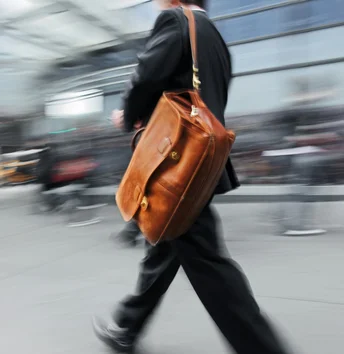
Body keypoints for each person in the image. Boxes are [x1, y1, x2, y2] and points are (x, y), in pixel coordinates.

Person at [92, 1, 291, 353]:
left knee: (207, 263)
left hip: (177, 165)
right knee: (163, 246)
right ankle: (127, 325)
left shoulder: (175, 21)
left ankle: (263, 348)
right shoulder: (214, 38)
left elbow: (147, 75)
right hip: (199, 163)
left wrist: (127, 115)